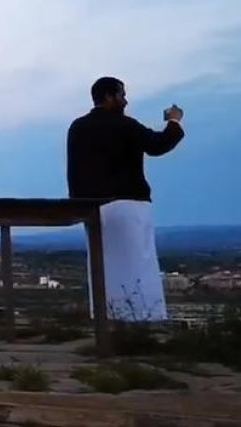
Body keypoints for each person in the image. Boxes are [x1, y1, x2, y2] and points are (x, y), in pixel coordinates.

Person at [66, 76, 184, 322]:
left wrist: (78, 202)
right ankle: (142, 317)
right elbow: (157, 145)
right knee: (138, 262)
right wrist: (174, 121)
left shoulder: (77, 127)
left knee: (104, 264)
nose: (125, 100)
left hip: (90, 206)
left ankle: (106, 316)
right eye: (122, 95)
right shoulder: (124, 125)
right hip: (127, 202)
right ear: (109, 96)